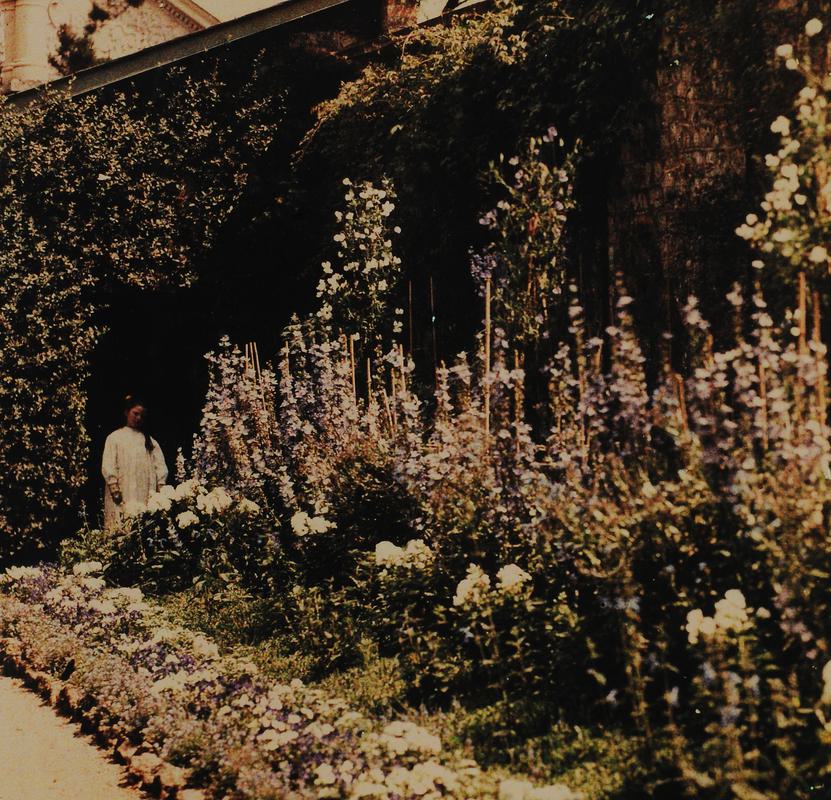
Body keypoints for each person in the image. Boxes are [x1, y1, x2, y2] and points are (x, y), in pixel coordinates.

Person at [102, 395, 168, 529]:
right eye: (135, 414)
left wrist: (160, 491)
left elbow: (161, 468)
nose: (138, 418)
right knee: (120, 526)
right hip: (122, 492)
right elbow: (108, 464)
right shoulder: (114, 438)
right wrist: (114, 488)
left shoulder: (150, 442)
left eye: (142, 416)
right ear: (126, 412)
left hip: (143, 493)